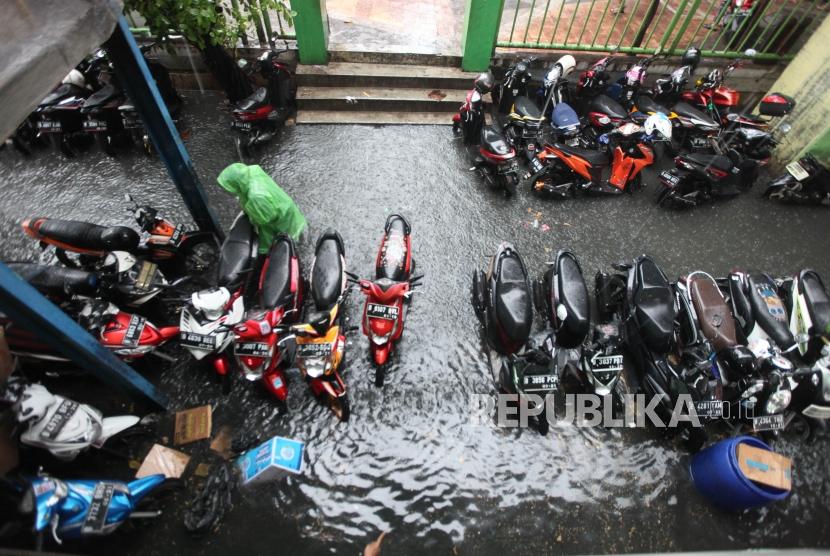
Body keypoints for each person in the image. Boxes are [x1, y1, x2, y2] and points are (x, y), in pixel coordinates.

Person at [216, 163, 307, 253]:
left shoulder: (256, 197)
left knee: (286, 246)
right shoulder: (252, 171)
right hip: (285, 205)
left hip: (282, 222)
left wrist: (252, 216)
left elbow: (265, 219)